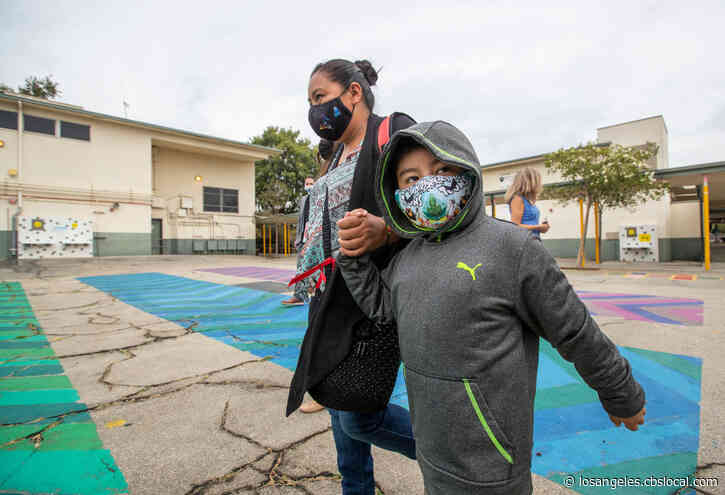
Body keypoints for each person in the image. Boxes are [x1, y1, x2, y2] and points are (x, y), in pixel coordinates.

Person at [337, 121, 646, 495]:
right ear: (396, 192)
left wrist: (620, 391)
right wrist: (353, 258)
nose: (427, 185)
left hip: (494, 465)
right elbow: (383, 308)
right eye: (411, 178)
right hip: (432, 452)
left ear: (468, 172)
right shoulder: (408, 257)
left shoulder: (512, 249)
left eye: (442, 171)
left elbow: (575, 330)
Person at [286, 58, 417, 495]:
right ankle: (355, 489)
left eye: (320, 97)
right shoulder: (333, 153)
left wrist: (388, 230)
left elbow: (430, 203)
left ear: (354, 93)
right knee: (336, 406)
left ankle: (457, 453)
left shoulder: (393, 132)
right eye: (310, 102)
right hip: (326, 296)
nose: (315, 110)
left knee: (360, 417)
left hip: (369, 298)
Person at [282, 175, 317, 307]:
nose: (309, 186)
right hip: (303, 240)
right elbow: (301, 220)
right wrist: (298, 239)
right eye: (307, 183)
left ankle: (319, 295)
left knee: (318, 269)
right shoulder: (303, 200)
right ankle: (299, 296)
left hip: (315, 238)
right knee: (301, 268)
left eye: (311, 183)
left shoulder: (320, 196)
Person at [505, 167, 550, 238]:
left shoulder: (528, 200)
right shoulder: (517, 199)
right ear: (531, 181)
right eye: (537, 180)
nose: (539, 184)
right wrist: (539, 227)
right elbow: (515, 226)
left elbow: (531, 223)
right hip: (524, 241)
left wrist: (542, 228)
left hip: (533, 239)